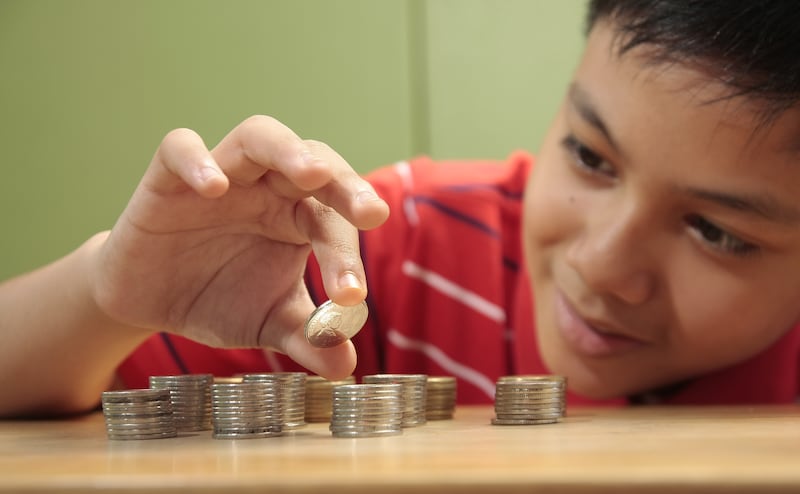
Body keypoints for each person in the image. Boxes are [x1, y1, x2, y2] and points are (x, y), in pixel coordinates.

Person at [2, 0, 800, 417]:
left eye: (717, 232)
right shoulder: (398, 247)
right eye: (590, 156)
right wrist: (104, 293)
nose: (601, 264)